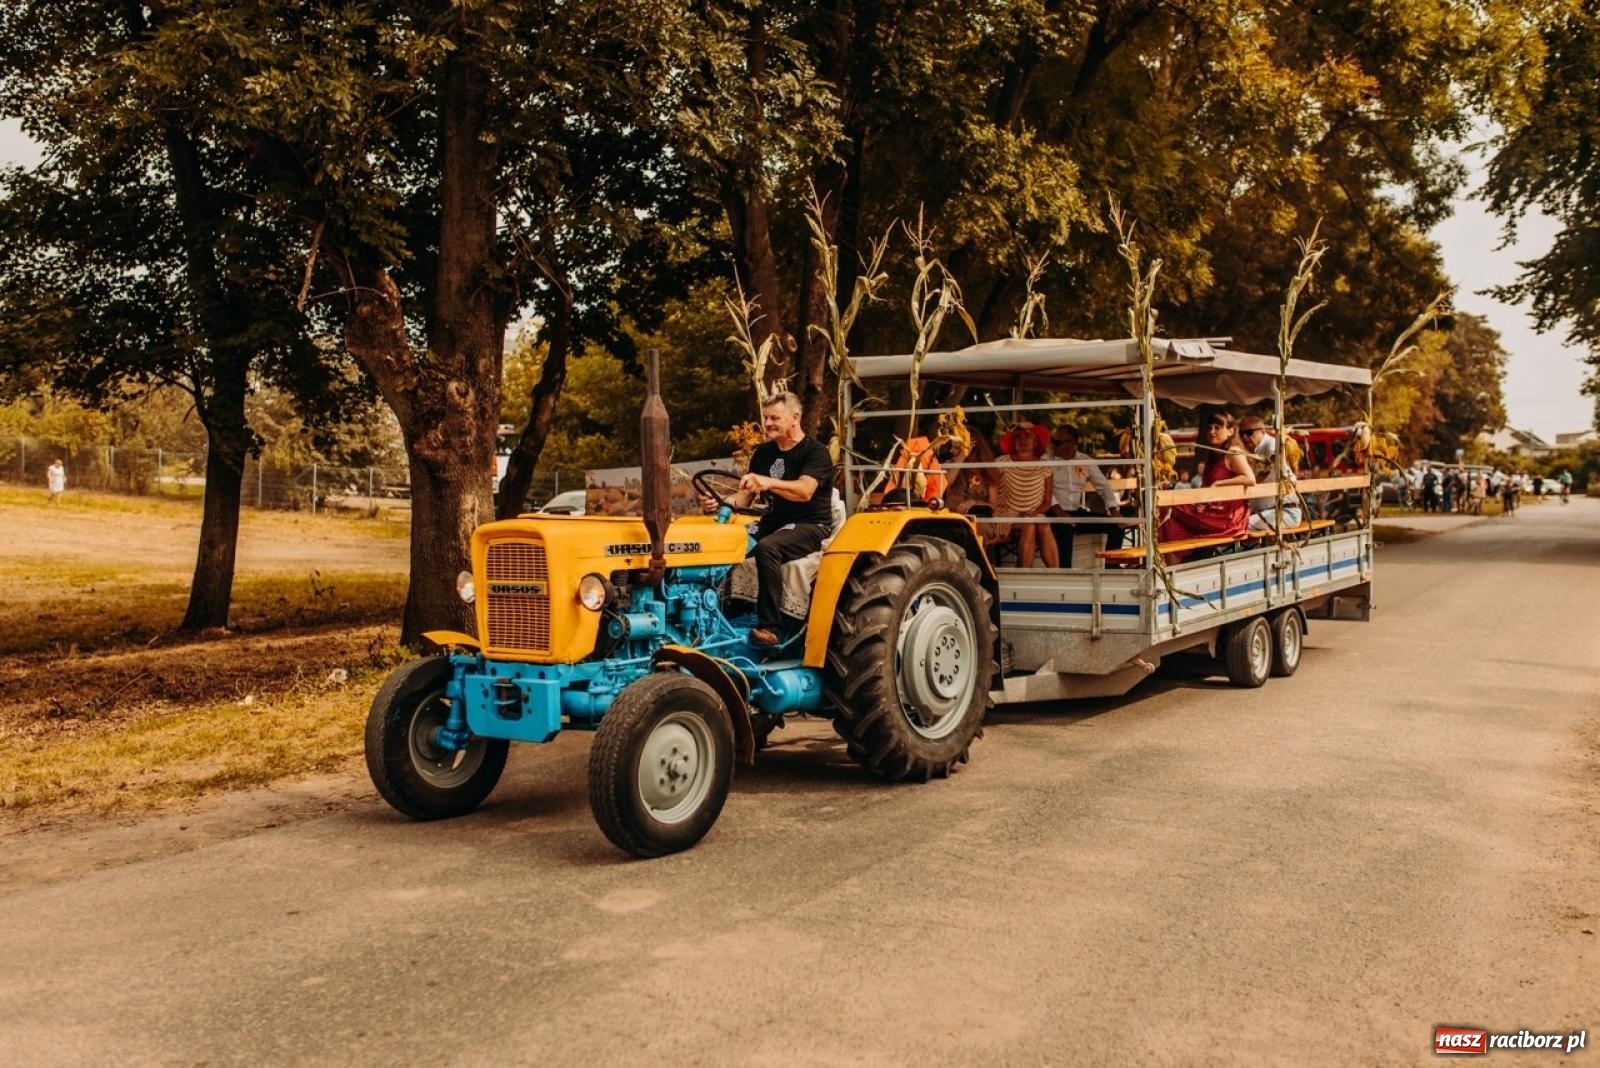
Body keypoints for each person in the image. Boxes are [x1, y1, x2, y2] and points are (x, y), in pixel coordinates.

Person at [727, 392, 836, 647]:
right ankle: (726, 614)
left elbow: (804, 491)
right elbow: (743, 498)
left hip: (809, 525)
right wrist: (722, 503)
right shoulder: (763, 453)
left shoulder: (816, 452)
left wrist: (768, 482)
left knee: (768, 548)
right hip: (771, 523)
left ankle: (770, 627)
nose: (768, 424)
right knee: (728, 542)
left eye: (775, 418)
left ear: (795, 418)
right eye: (766, 418)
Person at [1158, 412, 1255, 542]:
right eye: (1209, 428)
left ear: (1230, 431)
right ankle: (1177, 560)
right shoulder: (1215, 454)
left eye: (1218, 427)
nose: (1212, 431)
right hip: (1215, 513)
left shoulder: (1233, 452)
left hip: (1228, 519)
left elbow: (1250, 479)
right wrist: (1203, 504)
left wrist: (1219, 483)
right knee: (1169, 523)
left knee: (1172, 509)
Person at [1046, 425, 1124, 565]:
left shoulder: (1085, 460)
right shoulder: (1045, 460)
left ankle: (1112, 570)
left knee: (1116, 525)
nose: (1053, 446)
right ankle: (1065, 576)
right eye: (1053, 441)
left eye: (1057, 442)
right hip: (1053, 512)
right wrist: (1058, 510)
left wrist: (1113, 509)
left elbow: (1103, 486)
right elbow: (1042, 489)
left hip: (1075, 512)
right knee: (1066, 528)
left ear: (1072, 444)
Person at [993, 427, 1058, 568]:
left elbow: (1047, 502)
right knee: (1030, 525)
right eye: (1019, 437)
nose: (1023, 439)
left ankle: (1055, 573)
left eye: (1027, 436)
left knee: (1042, 524)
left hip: (1033, 514)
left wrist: (1033, 512)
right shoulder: (1001, 463)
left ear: (1035, 443)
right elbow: (992, 494)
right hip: (1006, 515)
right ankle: (1024, 574)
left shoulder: (1045, 467)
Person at [1238, 416, 1302, 533]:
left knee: (1238, 526)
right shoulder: (1255, 451)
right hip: (1266, 513)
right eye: (1241, 434)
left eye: (1249, 432)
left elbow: (1276, 456)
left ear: (1263, 431)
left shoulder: (1270, 443)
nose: (1244, 437)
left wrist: (1271, 463)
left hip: (1284, 512)